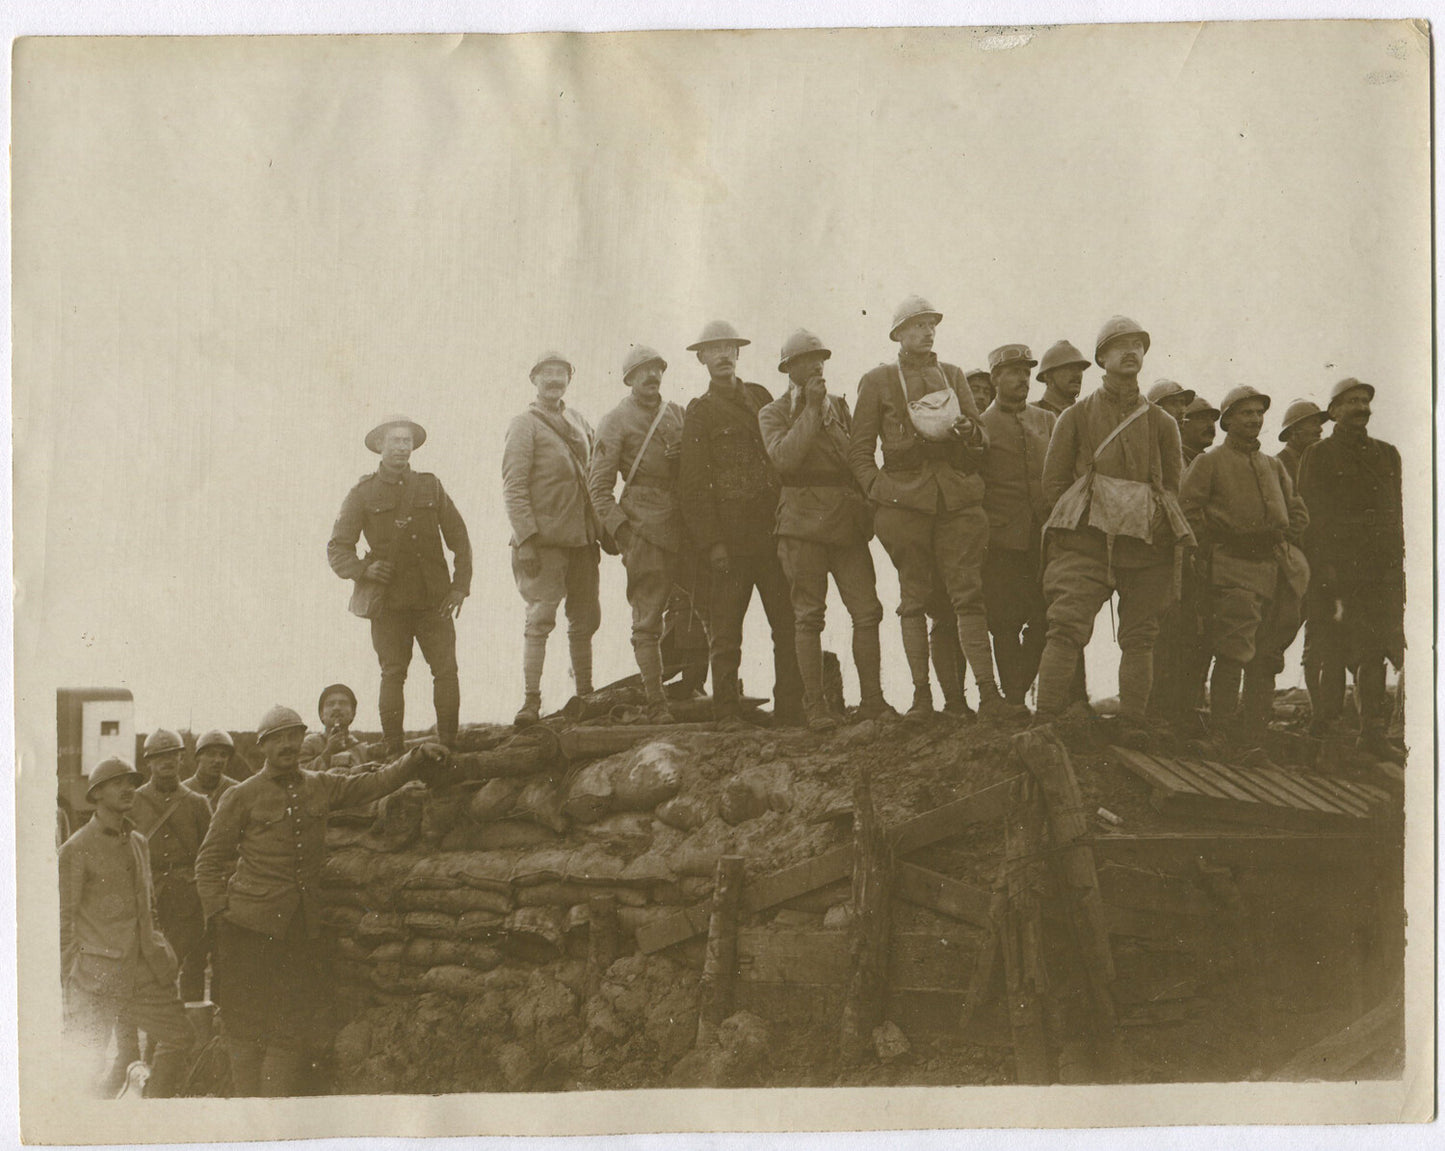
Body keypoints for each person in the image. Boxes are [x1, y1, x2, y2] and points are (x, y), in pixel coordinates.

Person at [195, 706, 453, 1096]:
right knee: (245, 1029)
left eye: (293, 735)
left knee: (290, 1028)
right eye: (276, 738)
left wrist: (414, 758)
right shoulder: (241, 795)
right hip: (247, 930)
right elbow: (209, 861)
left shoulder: (320, 784)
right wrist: (221, 916)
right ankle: (246, 1117)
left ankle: (274, 1118)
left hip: (299, 929)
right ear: (262, 746)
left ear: (302, 739)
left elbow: (374, 783)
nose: (286, 744)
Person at [848, 295, 1016, 723]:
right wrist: (879, 489)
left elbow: (982, 437)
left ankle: (988, 695)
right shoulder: (878, 380)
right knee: (913, 600)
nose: (927, 331)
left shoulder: (954, 375)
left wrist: (968, 432)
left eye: (931, 324)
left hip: (957, 499)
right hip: (904, 503)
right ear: (898, 334)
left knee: (968, 595)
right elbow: (860, 450)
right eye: (917, 325)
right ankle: (922, 699)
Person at [1035, 315, 1192, 745]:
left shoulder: (1163, 424)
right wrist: (1089, 519)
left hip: (1144, 547)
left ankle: (1132, 724)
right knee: (1065, 628)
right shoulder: (1076, 416)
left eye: (1137, 344)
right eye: (1118, 345)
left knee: (1140, 637)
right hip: (1085, 543)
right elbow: (1053, 485)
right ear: (1101, 358)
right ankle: (1044, 721)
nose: (1130, 352)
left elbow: (1172, 489)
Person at [759, 329, 889, 729]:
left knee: (867, 611)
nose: (816, 364)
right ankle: (815, 706)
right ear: (789, 368)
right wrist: (812, 411)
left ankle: (873, 701)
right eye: (806, 359)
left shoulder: (840, 406)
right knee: (809, 617)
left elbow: (855, 458)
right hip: (801, 525)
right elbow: (785, 461)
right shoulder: (774, 412)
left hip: (845, 524)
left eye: (820, 357)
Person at [677, 320, 804, 724]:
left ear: (738, 353)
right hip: (730, 542)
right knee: (726, 633)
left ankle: (790, 707)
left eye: (728, 348)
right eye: (712, 350)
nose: (721, 356)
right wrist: (712, 544)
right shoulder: (699, 413)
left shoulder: (761, 397)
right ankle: (727, 710)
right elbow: (694, 485)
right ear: (701, 359)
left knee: (787, 624)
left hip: (773, 531)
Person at [329, 415, 471, 753]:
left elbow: (459, 537)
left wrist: (459, 587)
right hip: (389, 603)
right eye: (394, 440)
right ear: (379, 445)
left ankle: (447, 744)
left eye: (406, 440)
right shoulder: (362, 493)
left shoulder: (430, 485)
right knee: (392, 674)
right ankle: (394, 750)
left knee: (446, 671)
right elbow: (337, 547)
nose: (401, 447)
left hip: (434, 599)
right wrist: (364, 570)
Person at [1179, 386, 1310, 740]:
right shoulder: (1210, 462)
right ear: (1227, 421)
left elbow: (1296, 508)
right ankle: (1222, 734)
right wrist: (1212, 546)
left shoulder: (1273, 465)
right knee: (1233, 652)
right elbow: (1188, 509)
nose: (1254, 419)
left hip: (1276, 569)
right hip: (1232, 569)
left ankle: (1254, 736)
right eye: (1245, 413)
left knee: (1267, 657)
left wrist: (1283, 539)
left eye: (1258, 413)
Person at [60, 757, 193, 1098]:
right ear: (97, 793)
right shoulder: (76, 847)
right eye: (118, 782)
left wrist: (163, 954)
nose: (128, 788)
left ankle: (146, 1110)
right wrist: (68, 979)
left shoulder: (138, 842)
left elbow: (149, 909)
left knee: (181, 1036)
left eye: (132, 782)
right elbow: (63, 921)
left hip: (143, 970)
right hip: (96, 978)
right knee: (86, 1062)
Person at [1297, 378, 1405, 762]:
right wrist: (1323, 570)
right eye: (1352, 401)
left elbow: (1396, 518)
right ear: (1334, 411)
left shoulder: (1388, 455)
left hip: (1377, 571)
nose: (1361, 407)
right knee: (1330, 649)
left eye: (1365, 401)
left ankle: (1371, 732)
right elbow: (1311, 516)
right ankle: (1327, 730)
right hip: (1334, 571)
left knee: (1374, 650)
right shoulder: (1319, 454)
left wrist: (1397, 573)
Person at [588, 344, 692, 722]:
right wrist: (623, 534)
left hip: (684, 529)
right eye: (642, 370)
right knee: (647, 621)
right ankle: (656, 702)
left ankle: (691, 688)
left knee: (696, 612)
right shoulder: (615, 421)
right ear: (629, 379)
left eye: (657, 369)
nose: (651, 376)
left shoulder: (679, 414)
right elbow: (598, 488)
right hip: (644, 531)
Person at [501, 353, 603, 727]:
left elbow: (596, 475)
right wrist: (525, 538)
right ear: (534, 378)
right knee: (540, 619)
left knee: (585, 619)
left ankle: (586, 696)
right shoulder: (524, 425)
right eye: (547, 373)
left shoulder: (579, 422)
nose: (554, 379)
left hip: (583, 540)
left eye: (561, 373)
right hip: (543, 542)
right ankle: (531, 701)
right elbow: (513, 487)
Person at [979, 343, 1056, 711]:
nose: (1023, 378)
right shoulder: (981, 424)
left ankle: (1017, 689)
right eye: (1014, 371)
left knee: (1047, 618)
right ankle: (1013, 699)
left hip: (1044, 539)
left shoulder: (1047, 421)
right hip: (1001, 539)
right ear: (995, 378)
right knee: (1005, 623)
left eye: (1027, 371)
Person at [132, 728, 212, 1005]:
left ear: (181, 759)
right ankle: (155, 1034)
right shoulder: (133, 802)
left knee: (189, 964)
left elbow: (210, 853)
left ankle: (189, 1037)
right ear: (148, 762)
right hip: (146, 895)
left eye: (172, 756)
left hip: (187, 898)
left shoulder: (198, 804)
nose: (166, 762)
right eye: (159, 757)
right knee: (146, 969)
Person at [299, 683, 369, 772]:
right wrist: (328, 753)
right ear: (321, 714)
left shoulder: (361, 750)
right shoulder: (309, 744)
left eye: (343, 703)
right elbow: (299, 775)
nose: (336, 707)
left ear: (353, 713)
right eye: (330, 704)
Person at [1275, 398, 1329, 485]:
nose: (1320, 429)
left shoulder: (1322, 461)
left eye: (1319, 424)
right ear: (1294, 429)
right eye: (1313, 423)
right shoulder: (1276, 466)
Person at [185, 729, 241, 813]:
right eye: (211, 754)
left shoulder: (237, 791)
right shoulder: (184, 790)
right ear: (198, 757)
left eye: (223, 755)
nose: (218, 760)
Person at [1033, 339, 1090, 416]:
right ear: (1048, 376)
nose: (1077, 374)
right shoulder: (1031, 414)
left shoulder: (1086, 415)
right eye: (1069, 368)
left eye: (1080, 369)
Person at [1179, 395, 1220, 468]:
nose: (1210, 424)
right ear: (1183, 424)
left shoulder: (1213, 463)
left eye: (1212, 419)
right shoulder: (1172, 461)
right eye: (1202, 418)